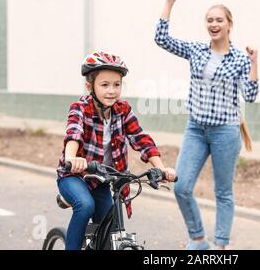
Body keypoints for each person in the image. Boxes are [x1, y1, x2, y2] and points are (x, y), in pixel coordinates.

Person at [154, 0, 259, 250]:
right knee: (181, 186)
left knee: (223, 193)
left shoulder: (240, 60)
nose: (214, 24)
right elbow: (161, 38)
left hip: (226, 131)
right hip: (196, 129)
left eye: (219, 20)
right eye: (210, 20)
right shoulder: (197, 50)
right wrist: (169, 3)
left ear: (229, 25)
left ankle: (220, 246)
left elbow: (251, 95)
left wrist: (255, 62)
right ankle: (199, 239)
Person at [56, 51, 176, 250]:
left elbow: (141, 139)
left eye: (116, 84)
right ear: (89, 86)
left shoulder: (123, 110)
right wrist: (71, 158)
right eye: (104, 85)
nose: (111, 90)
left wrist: (161, 169)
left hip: (103, 180)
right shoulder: (80, 108)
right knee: (85, 206)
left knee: (111, 226)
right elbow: (73, 133)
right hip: (75, 175)